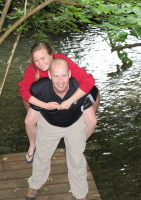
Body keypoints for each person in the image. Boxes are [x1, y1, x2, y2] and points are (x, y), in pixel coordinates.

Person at [18, 41, 100, 163]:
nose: (40, 64)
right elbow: (24, 91)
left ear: (52, 55)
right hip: (45, 97)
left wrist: (70, 101)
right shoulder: (33, 69)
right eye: (36, 60)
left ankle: (77, 145)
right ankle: (33, 144)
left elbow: (88, 81)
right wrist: (44, 106)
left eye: (43, 58)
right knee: (29, 117)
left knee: (94, 100)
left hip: (66, 94)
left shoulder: (62, 62)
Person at [26, 58, 93, 200]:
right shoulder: (39, 88)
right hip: (49, 125)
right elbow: (30, 118)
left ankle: (80, 194)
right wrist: (32, 143)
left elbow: (91, 118)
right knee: (42, 156)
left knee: (76, 159)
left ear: (70, 74)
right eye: (56, 76)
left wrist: (82, 138)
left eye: (64, 75)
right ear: (49, 75)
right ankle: (35, 185)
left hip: (75, 124)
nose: (60, 81)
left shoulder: (81, 88)